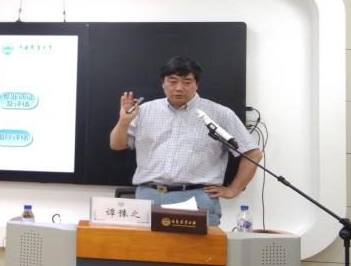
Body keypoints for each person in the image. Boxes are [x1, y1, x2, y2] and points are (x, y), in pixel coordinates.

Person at [109, 56, 262, 226]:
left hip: (196, 197)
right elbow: (116, 145)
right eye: (172, 81)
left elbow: (253, 153)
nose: (179, 88)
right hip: (148, 196)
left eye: (187, 82)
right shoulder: (144, 111)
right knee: (144, 245)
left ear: (197, 84)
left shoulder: (220, 114)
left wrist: (233, 189)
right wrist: (123, 122)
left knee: (199, 245)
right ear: (163, 83)